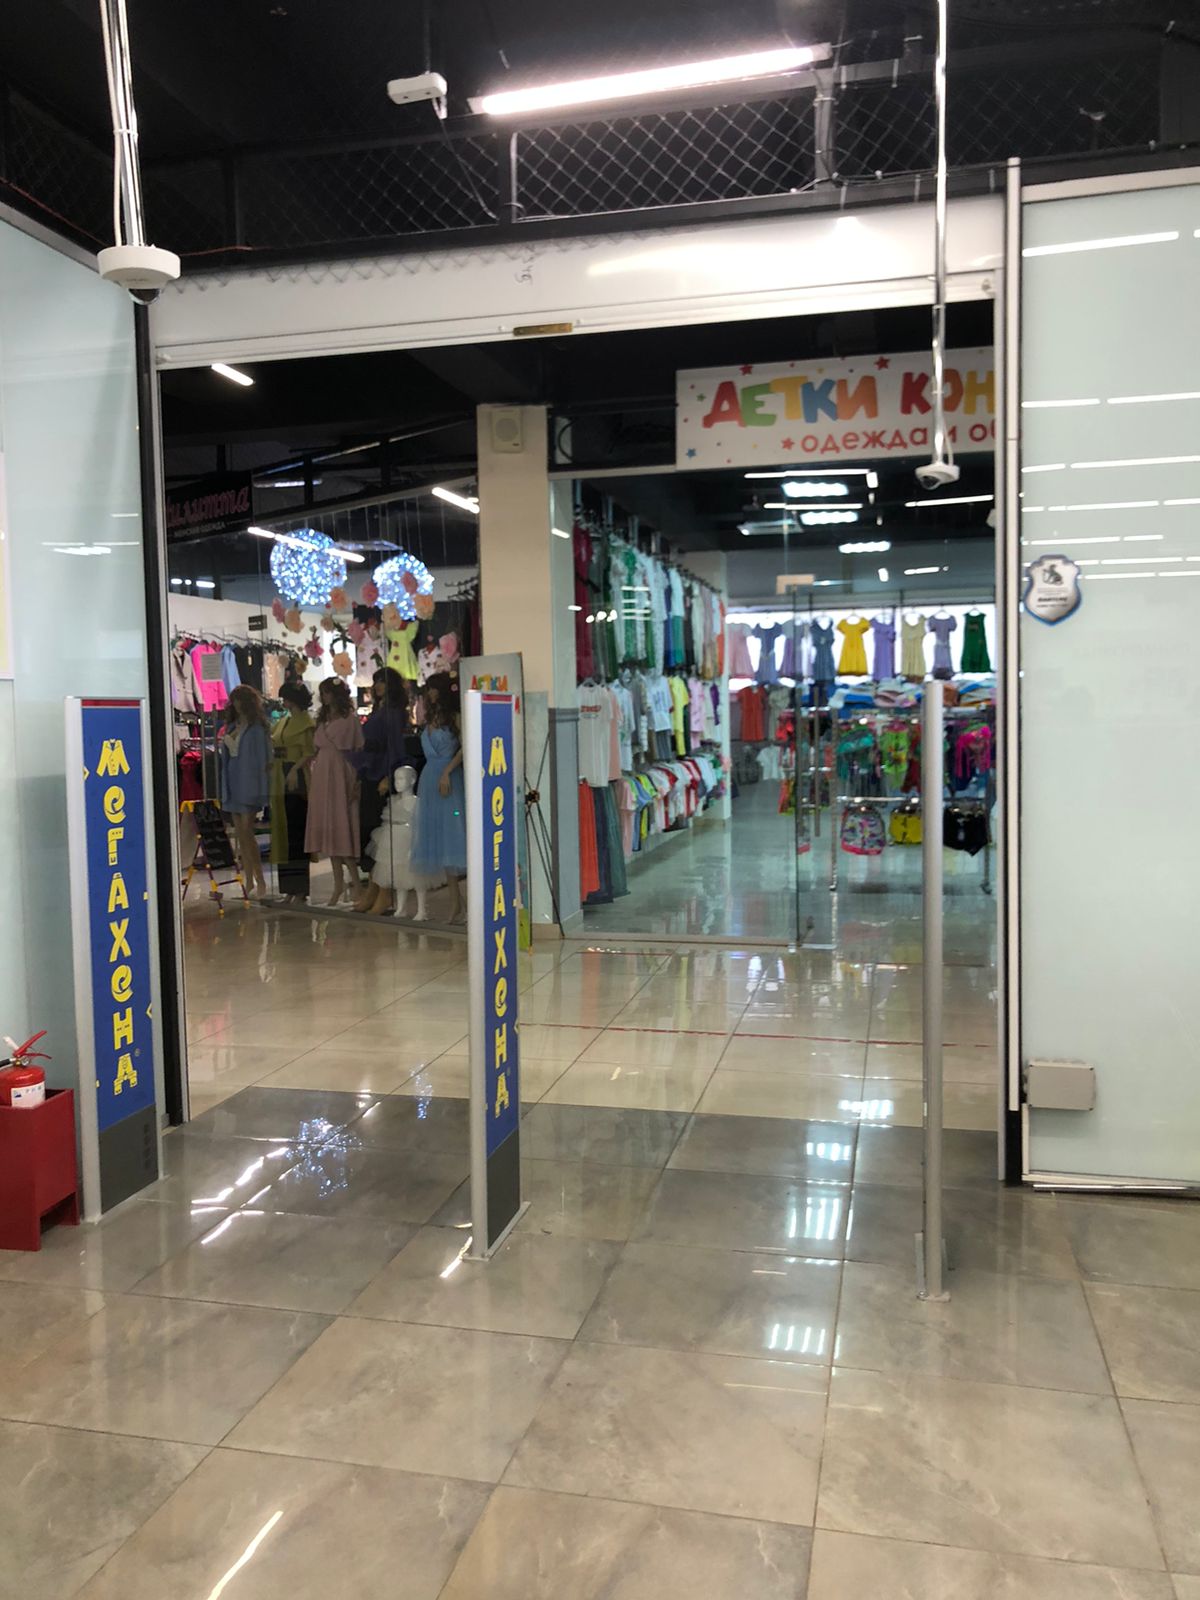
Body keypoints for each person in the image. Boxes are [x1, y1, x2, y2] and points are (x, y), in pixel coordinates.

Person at [350, 667, 415, 899]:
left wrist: (389, 774)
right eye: (376, 681)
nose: (378, 686)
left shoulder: (393, 713)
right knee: (370, 829)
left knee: (378, 829)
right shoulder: (382, 710)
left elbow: (396, 746)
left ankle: (381, 891)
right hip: (372, 772)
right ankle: (375, 888)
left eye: (382, 682)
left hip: (381, 773)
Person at [304, 675, 364, 906]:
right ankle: (338, 885)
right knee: (329, 830)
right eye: (323, 693)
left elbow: (358, 749)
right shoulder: (323, 718)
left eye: (327, 692)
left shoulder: (349, 720)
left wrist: (356, 781)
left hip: (340, 770)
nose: (324, 697)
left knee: (341, 827)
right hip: (322, 772)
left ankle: (356, 884)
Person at [412, 672, 467, 920]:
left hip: (449, 777)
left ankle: (461, 903)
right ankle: (457, 903)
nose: (431, 693)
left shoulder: (455, 717)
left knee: (453, 835)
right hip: (430, 779)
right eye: (429, 689)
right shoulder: (430, 716)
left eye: (435, 688)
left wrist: (447, 771)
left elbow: (465, 747)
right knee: (441, 839)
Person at [219, 684, 271, 898]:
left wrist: (263, 789)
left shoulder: (257, 729)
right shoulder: (232, 726)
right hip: (233, 782)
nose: (237, 704)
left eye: (239, 700)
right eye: (234, 700)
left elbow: (264, 761)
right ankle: (248, 881)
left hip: (250, 784)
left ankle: (260, 881)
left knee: (247, 833)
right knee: (241, 836)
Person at [268, 680, 315, 904]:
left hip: (295, 775)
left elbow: (309, 752)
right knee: (283, 832)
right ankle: (288, 887)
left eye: (286, 698)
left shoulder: (306, 723)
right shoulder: (285, 721)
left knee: (296, 831)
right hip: (280, 774)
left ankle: (300, 888)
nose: (283, 702)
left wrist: (295, 769)